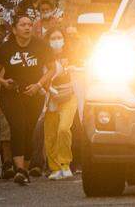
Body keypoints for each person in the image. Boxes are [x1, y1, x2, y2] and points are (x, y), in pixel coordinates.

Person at [0, 13, 55, 185]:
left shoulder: (41, 45)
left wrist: (38, 86)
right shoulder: (5, 48)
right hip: (11, 94)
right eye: (23, 25)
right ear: (14, 29)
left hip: (34, 94)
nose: (27, 27)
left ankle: (23, 170)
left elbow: (52, 69)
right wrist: (4, 82)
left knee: (28, 129)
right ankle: (19, 169)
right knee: (18, 126)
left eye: (29, 24)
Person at [42, 28, 77, 179]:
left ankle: (65, 164)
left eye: (59, 37)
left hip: (69, 96)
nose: (57, 41)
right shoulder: (42, 58)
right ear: (48, 41)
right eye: (53, 38)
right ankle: (55, 168)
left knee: (63, 129)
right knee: (50, 134)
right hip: (50, 98)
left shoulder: (72, 55)